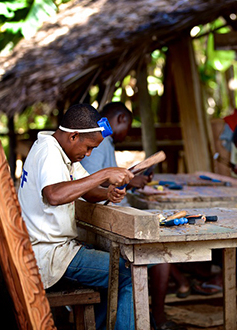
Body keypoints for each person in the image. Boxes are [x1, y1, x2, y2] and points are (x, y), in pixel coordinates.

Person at [18, 103, 135, 330]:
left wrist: (106, 192)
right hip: (48, 256)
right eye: (89, 147)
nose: (89, 154)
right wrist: (104, 173)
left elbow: (86, 190)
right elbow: (54, 194)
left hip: (51, 251)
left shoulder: (62, 154)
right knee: (126, 273)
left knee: (114, 274)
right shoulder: (49, 152)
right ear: (73, 136)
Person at [81, 102, 187, 330]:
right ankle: (157, 316)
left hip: (106, 212)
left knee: (160, 239)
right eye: (127, 126)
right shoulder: (97, 143)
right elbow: (89, 185)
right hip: (101, 218)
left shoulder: (103, 142)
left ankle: (163, 304)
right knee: (158, 251)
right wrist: (124, 183)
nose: (127, 134)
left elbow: (105, 181)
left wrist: (128, 181)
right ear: (119, 119)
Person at [81, 101, 151, 193]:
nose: (126, 134)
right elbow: (90, 179)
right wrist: (129, 181)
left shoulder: (107, 140)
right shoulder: (100, 140)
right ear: (121, 118)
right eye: (128, 127)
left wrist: (131, 179)